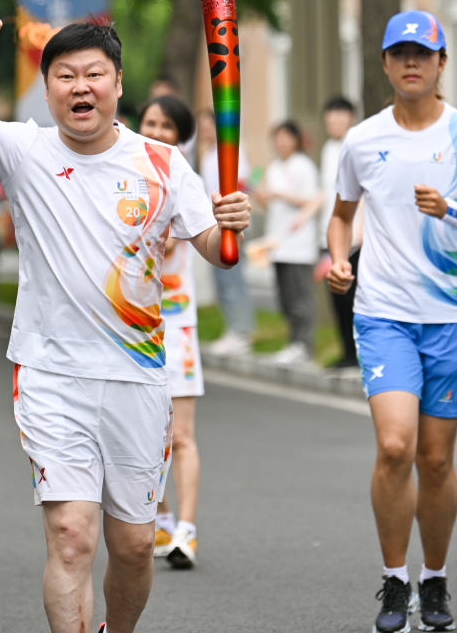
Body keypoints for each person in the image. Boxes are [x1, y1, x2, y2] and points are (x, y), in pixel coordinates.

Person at [0, 5, 250, 633]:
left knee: (130, 548)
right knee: (72, 536)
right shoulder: (24, 149)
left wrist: (230, 224)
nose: (80, 87)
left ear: (118, 84)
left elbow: (214, 247)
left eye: (93, 74)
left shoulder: (161, 163)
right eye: (64, 76)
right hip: (52, 375)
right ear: (47, 89)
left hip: (138, 379)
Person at [327, 10, 457, 633]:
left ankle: (434, 581)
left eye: (422, 54)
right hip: (384, 313)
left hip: (452, 315)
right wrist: (337, 259)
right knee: (395, 445)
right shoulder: (363, 140)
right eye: (400, 53)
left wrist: (453, 211)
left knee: (435, 460)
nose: (411, 63)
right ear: (385, 63)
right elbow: (341, 214)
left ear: (440, 64)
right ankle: (393, 579)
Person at [136, 95, 205, 569]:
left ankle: (186, 529)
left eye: (167, 126)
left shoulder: (185, 180)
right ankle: (158, 519)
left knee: (180, 434)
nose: (157, 131)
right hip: (134, 324)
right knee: (146, 433)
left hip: (176, 323)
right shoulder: (122, 178)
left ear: (180, 136)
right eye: (150, 122)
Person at [254, 120, 321, 365]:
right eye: (277, 138)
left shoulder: (304, 166)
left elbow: (314, 201)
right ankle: (294, 342)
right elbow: (269, 204)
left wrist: (281, 194)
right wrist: (260, 195)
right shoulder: (273, 167)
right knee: (285, 299)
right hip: (277, 244)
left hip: (299, 246)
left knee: (300, 298)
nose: (281, 143)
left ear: (295, 140)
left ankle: (304, 345)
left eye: (285, 137)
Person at [197, 110, 256, 355]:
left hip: (232, 224)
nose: (206, 130)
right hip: (214, 225)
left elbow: (242, 183)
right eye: (201, 126)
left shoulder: (231, 151)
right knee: (222, 281)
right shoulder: (207, 156)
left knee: (233, 280)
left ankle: (242, 332)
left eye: (209, 125)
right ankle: (233, 328)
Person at [318, 96, 362, 369]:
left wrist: (359, 233)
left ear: (351, 118)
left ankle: (358, 353)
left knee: (352, 299)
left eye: (341, 115)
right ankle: (347, 352)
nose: (335, 121)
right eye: (331, 115)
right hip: (330, 235)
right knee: (337, 298)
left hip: (355, 238)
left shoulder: (356, 145)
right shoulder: (328, 149)